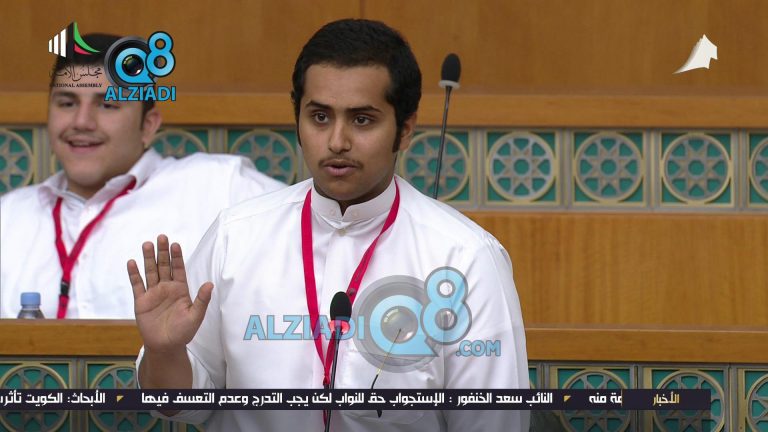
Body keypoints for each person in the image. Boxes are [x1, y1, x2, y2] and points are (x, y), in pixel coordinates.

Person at [131, 19, 529, 431]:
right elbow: (185, 404)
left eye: (362, 120)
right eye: (320, 117)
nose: (337, 141)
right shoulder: (236, 236)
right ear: (297, 121)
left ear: (405, 130)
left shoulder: (465, 257)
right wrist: (164, 353)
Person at [0, 33, 284, 319]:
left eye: (108, 105)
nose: (81, 122)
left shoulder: (221, 186)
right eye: (67, 103)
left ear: (147, 125)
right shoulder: (9, 215)